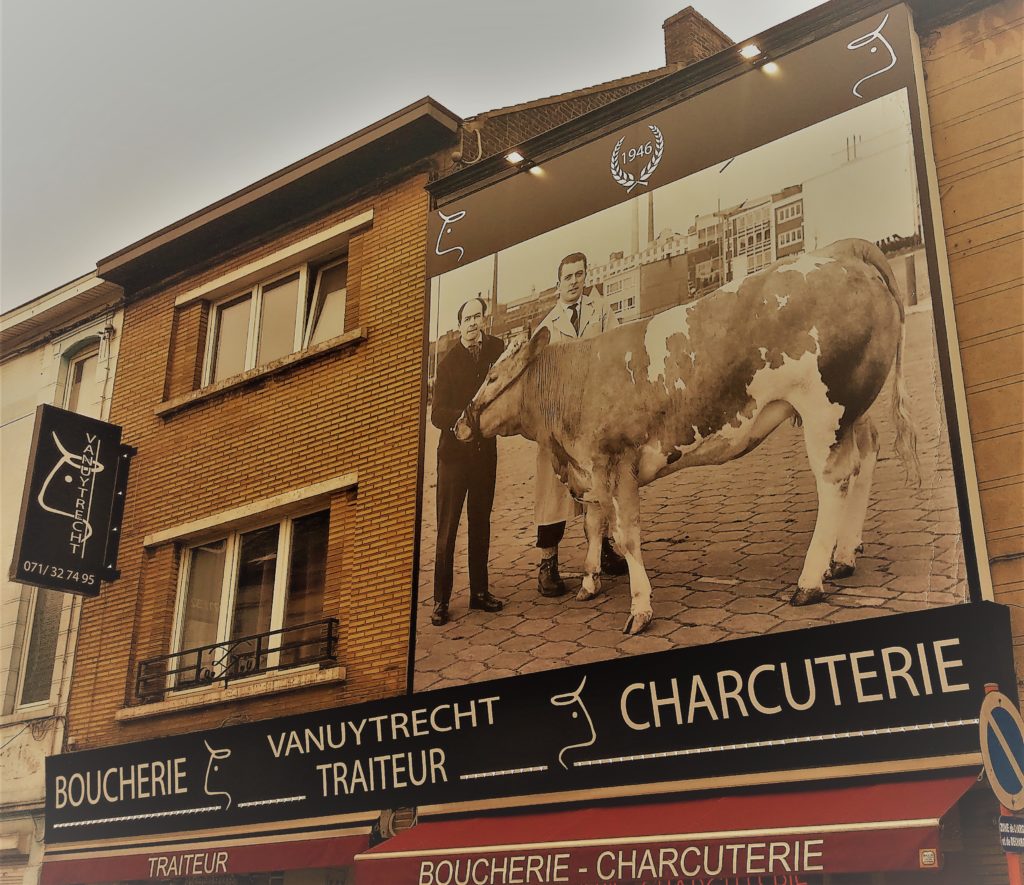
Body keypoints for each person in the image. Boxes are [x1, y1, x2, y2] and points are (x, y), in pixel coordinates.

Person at [533, 252, 627, 597]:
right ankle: (548, 564)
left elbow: (616, 350)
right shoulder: (546, 325)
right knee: (551, 492)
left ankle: (601, 550)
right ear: (557, 282)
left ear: (586, 276)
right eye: (567, 276)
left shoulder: (600, 311)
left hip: (593, 418)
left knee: (601, 486)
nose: (574, 281)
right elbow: (539, 378)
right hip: (558, 422)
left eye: (579, 274)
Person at [429, 297, 505, 626]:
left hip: (484, 455)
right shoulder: (447, 363)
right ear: (459, 325)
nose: (473, 323)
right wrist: (462, 421)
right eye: (467, 318)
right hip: (454, 458)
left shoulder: (495, 349)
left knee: (480, 524)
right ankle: (441, 601)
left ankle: (479, 593)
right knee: (447, 530)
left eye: (478, 316)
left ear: (484, 319)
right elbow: (436, 414)